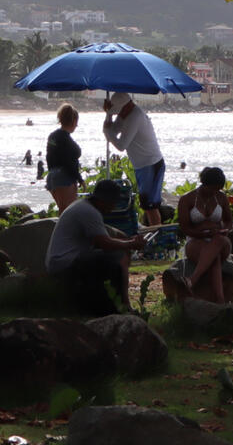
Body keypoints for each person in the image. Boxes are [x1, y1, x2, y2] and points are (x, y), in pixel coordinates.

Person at [45, 178, 151, 315]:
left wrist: (127, 242)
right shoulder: (89, 212)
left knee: (115, 256)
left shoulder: (84, 206)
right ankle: (120, 306)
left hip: (64, 261)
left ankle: (117, 305)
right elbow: (104, 243)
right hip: (64, 263)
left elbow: (103, 239)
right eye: (113, 203)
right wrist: (130, 244)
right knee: (118, 257)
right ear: (104, 201)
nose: (113, 207)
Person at [103, 92, 165, 226]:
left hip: (151, 163)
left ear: (126, 106)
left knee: (150, 205)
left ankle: (157, 235)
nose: (118, 114)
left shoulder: (135, 116)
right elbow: (112, 131)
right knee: (146, 204)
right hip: (141, 165)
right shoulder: (125, 113)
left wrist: (107, 132)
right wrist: (109, 114)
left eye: (118, 111)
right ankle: (153, 232)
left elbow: (120, 145)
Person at [175, 166, 233, 303]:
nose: (214, 192)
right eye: (212, 189)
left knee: (218, 240)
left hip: (219, 240)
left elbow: (229, 221)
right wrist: (201, 233)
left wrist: (224, 230)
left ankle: (193, 279)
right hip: (196, 241)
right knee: (214, 258)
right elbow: (184, 227)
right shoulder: (187, 199)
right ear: (204, 184)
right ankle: (220, 299)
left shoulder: (221, 198)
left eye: (218, 189)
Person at [45, 104, 84, 209]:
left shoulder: (53, 136)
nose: (76, 126)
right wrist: (80, 179)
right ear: (74, 121)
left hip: (53, 176)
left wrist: (52, 173)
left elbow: (49, 157)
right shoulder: (66, 140)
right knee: (68, 212)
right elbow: (68, 161)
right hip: (64, 177)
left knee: (62, 210)